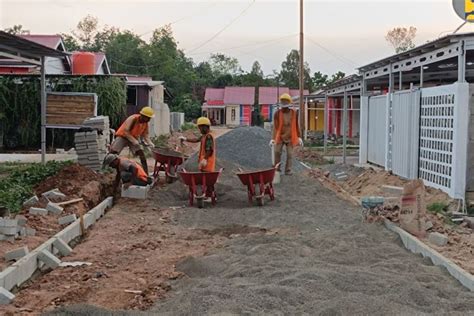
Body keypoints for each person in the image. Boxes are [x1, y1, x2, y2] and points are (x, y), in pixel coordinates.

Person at [110, 106, 155, 174]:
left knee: (141, 154)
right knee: (113, 153)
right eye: (148, 118)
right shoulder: (133, 118)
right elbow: (126, 131)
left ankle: (145, 173)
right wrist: (134, 141)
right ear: (143, 116)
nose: (149, 119)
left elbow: (146, 135)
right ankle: (108, 170)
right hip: (123, 136)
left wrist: (150, 143)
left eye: (149, 118)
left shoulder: (145, 123)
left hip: (134, 138)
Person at [269, 93, 304, 175]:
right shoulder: (277, 114)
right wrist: (273, 138)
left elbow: (296, 125)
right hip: (280, 137)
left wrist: (299, 136)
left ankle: (288, 170)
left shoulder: (294, 113)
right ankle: (276, 169)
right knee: (277, 152)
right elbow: (275, 127)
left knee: (290, 154)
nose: (283, 106)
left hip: (290, 137)